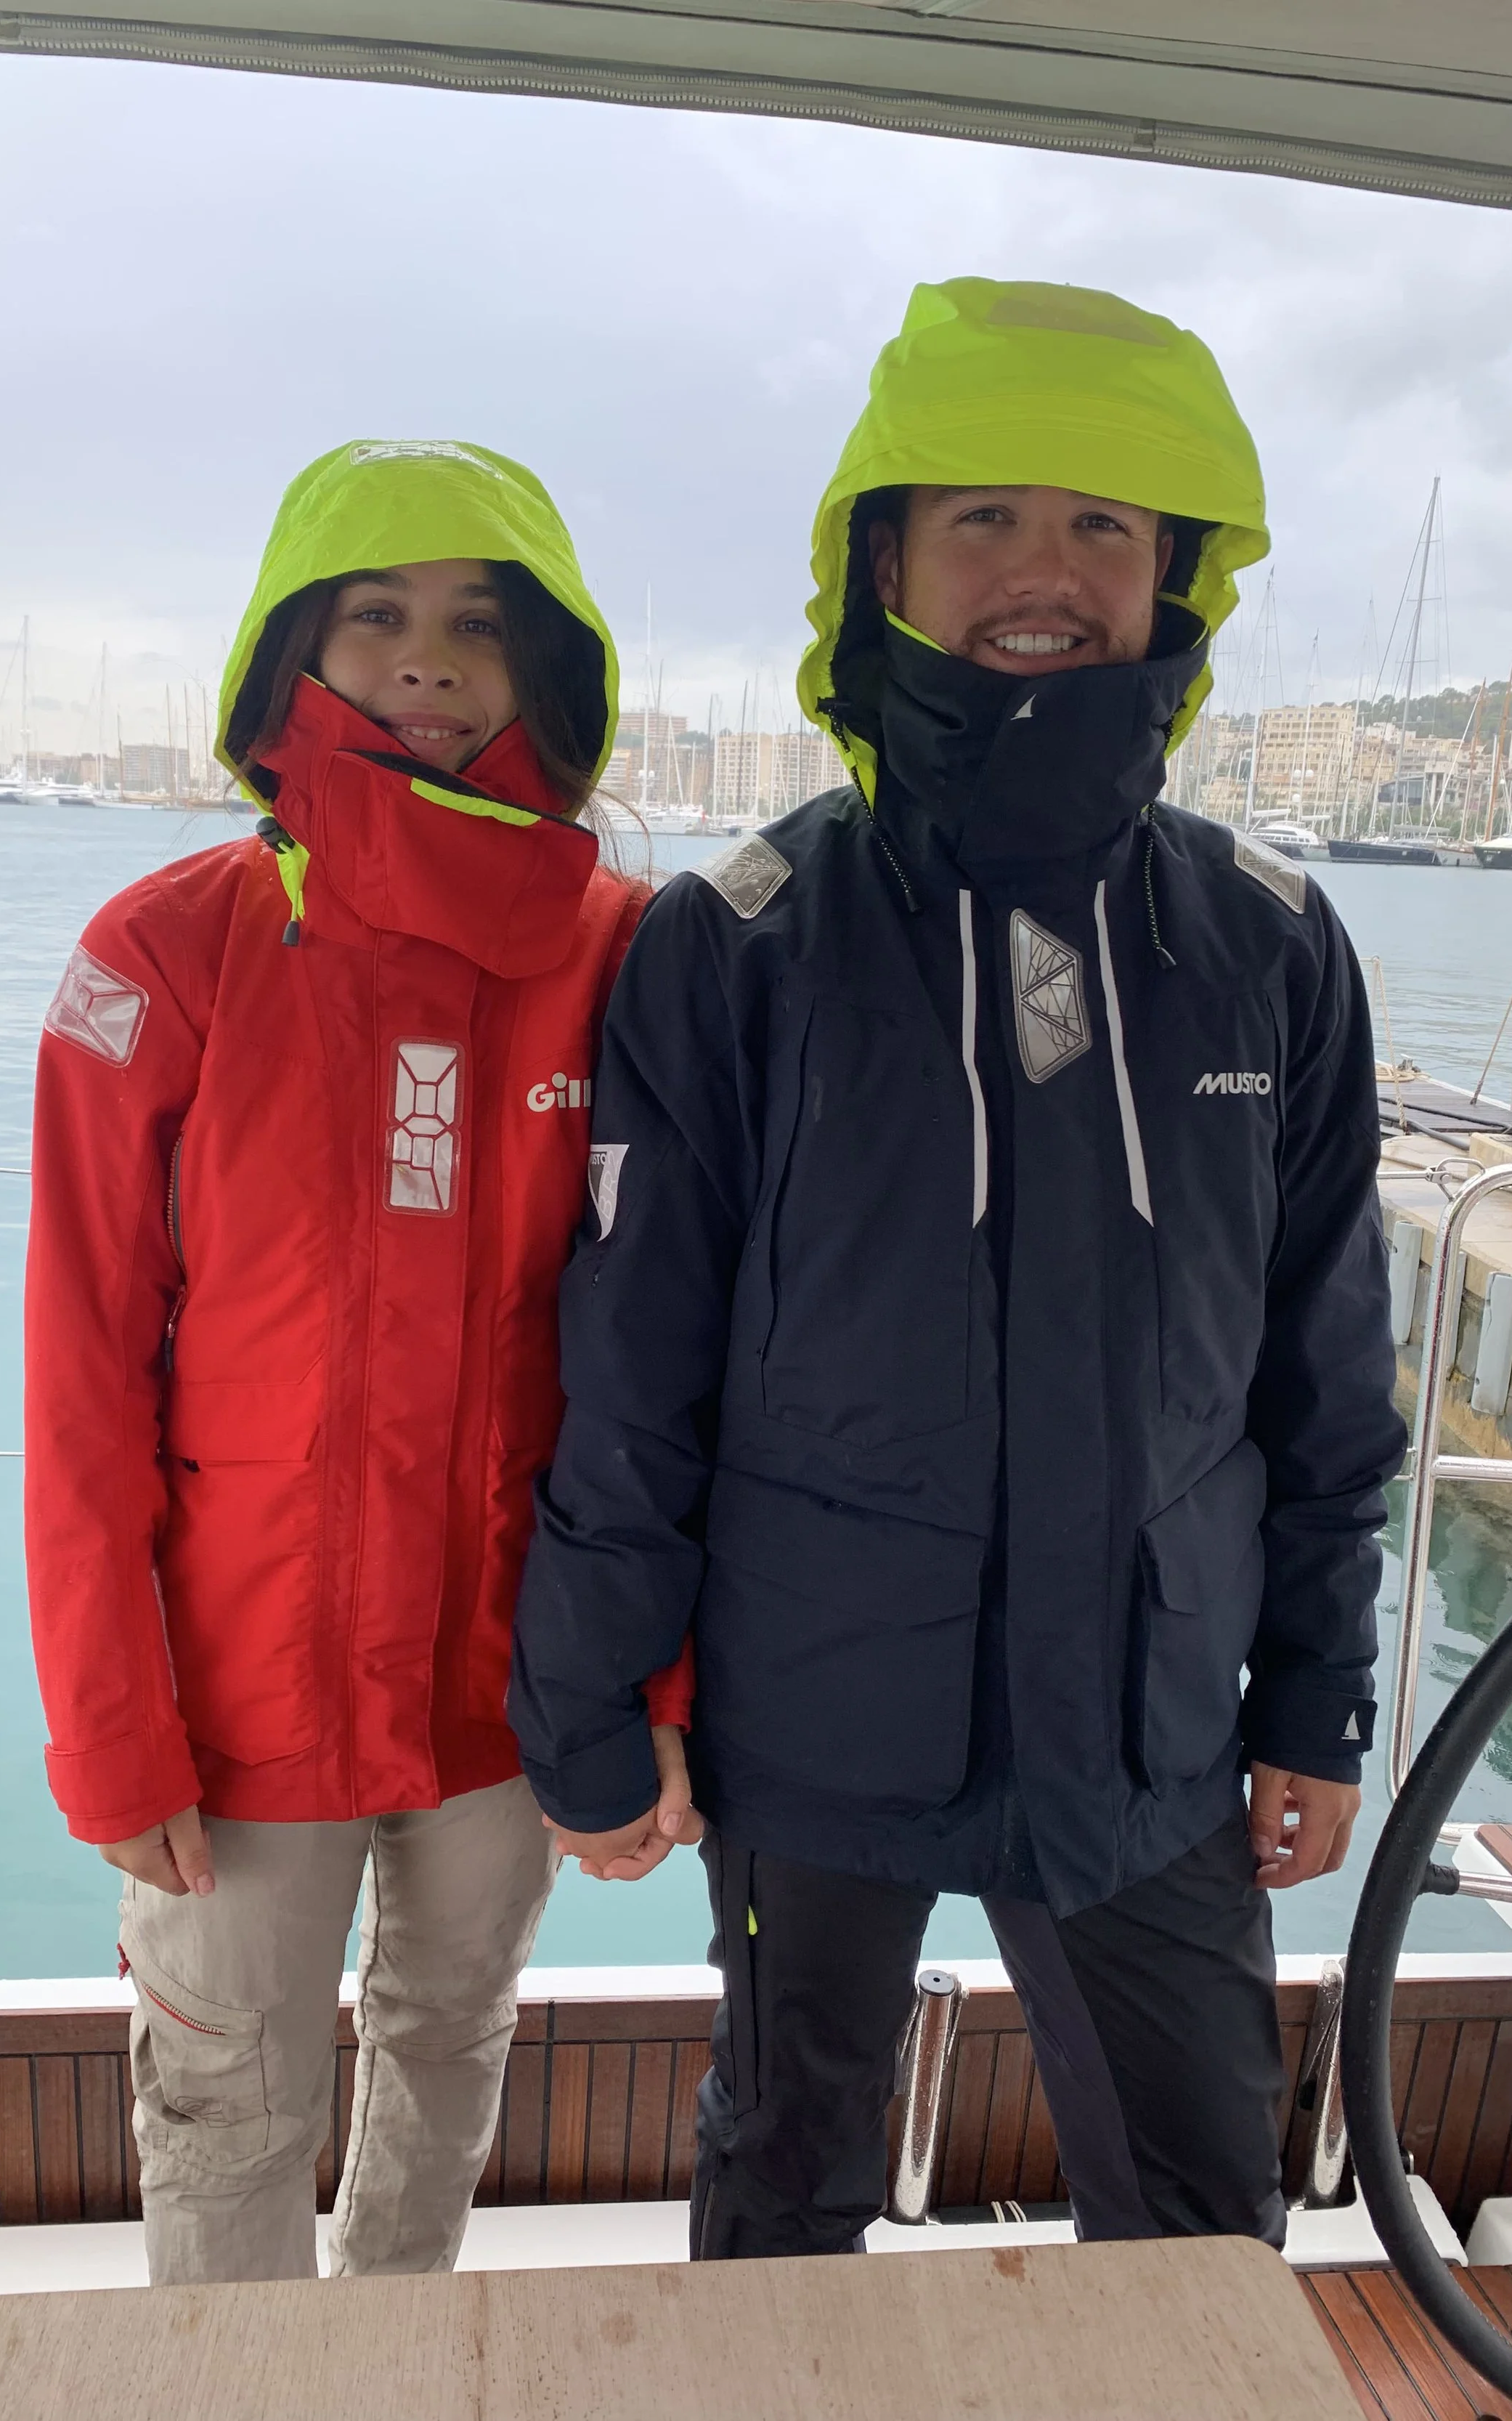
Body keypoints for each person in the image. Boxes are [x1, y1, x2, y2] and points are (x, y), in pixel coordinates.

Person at [509, 283, 1407, 2257]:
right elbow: (634, 1369)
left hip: (1153, 1735)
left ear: (1172, 578)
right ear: (884, 564)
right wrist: (583, 1703)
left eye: (1101, 524)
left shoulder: (1267, 944)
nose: (1042, 573)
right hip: (810, 1725)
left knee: (1202, 2211)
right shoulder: (737, 942)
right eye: (983, 517)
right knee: (781, 2170)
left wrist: (1317, 1694)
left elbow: (1325, 1372)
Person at [24, 438, 691, 2287]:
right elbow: (79, 1384)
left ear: (546, 665)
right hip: (233, 1693)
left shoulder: (631, 958)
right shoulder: (159, 954)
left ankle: (399, 2365)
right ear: (292, 658)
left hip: (515, 1676)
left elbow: (672, 1362)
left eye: (478, 623)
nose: (426, 660)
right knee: (225, 2093)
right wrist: (109, 1728)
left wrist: (658, 1683)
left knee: (449, 2044)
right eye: (374, 614)